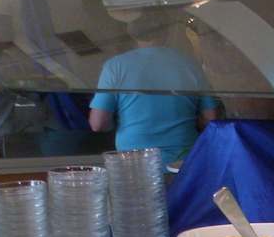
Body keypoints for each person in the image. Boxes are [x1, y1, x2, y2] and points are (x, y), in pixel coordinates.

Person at [88, 22, 219, 169]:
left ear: (131, 33)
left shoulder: (115, 66)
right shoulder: (191, 64)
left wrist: (115, 123)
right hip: (183, 161)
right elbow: (210, 119)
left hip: (135, 164)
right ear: (166, 33)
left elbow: (98, 123)